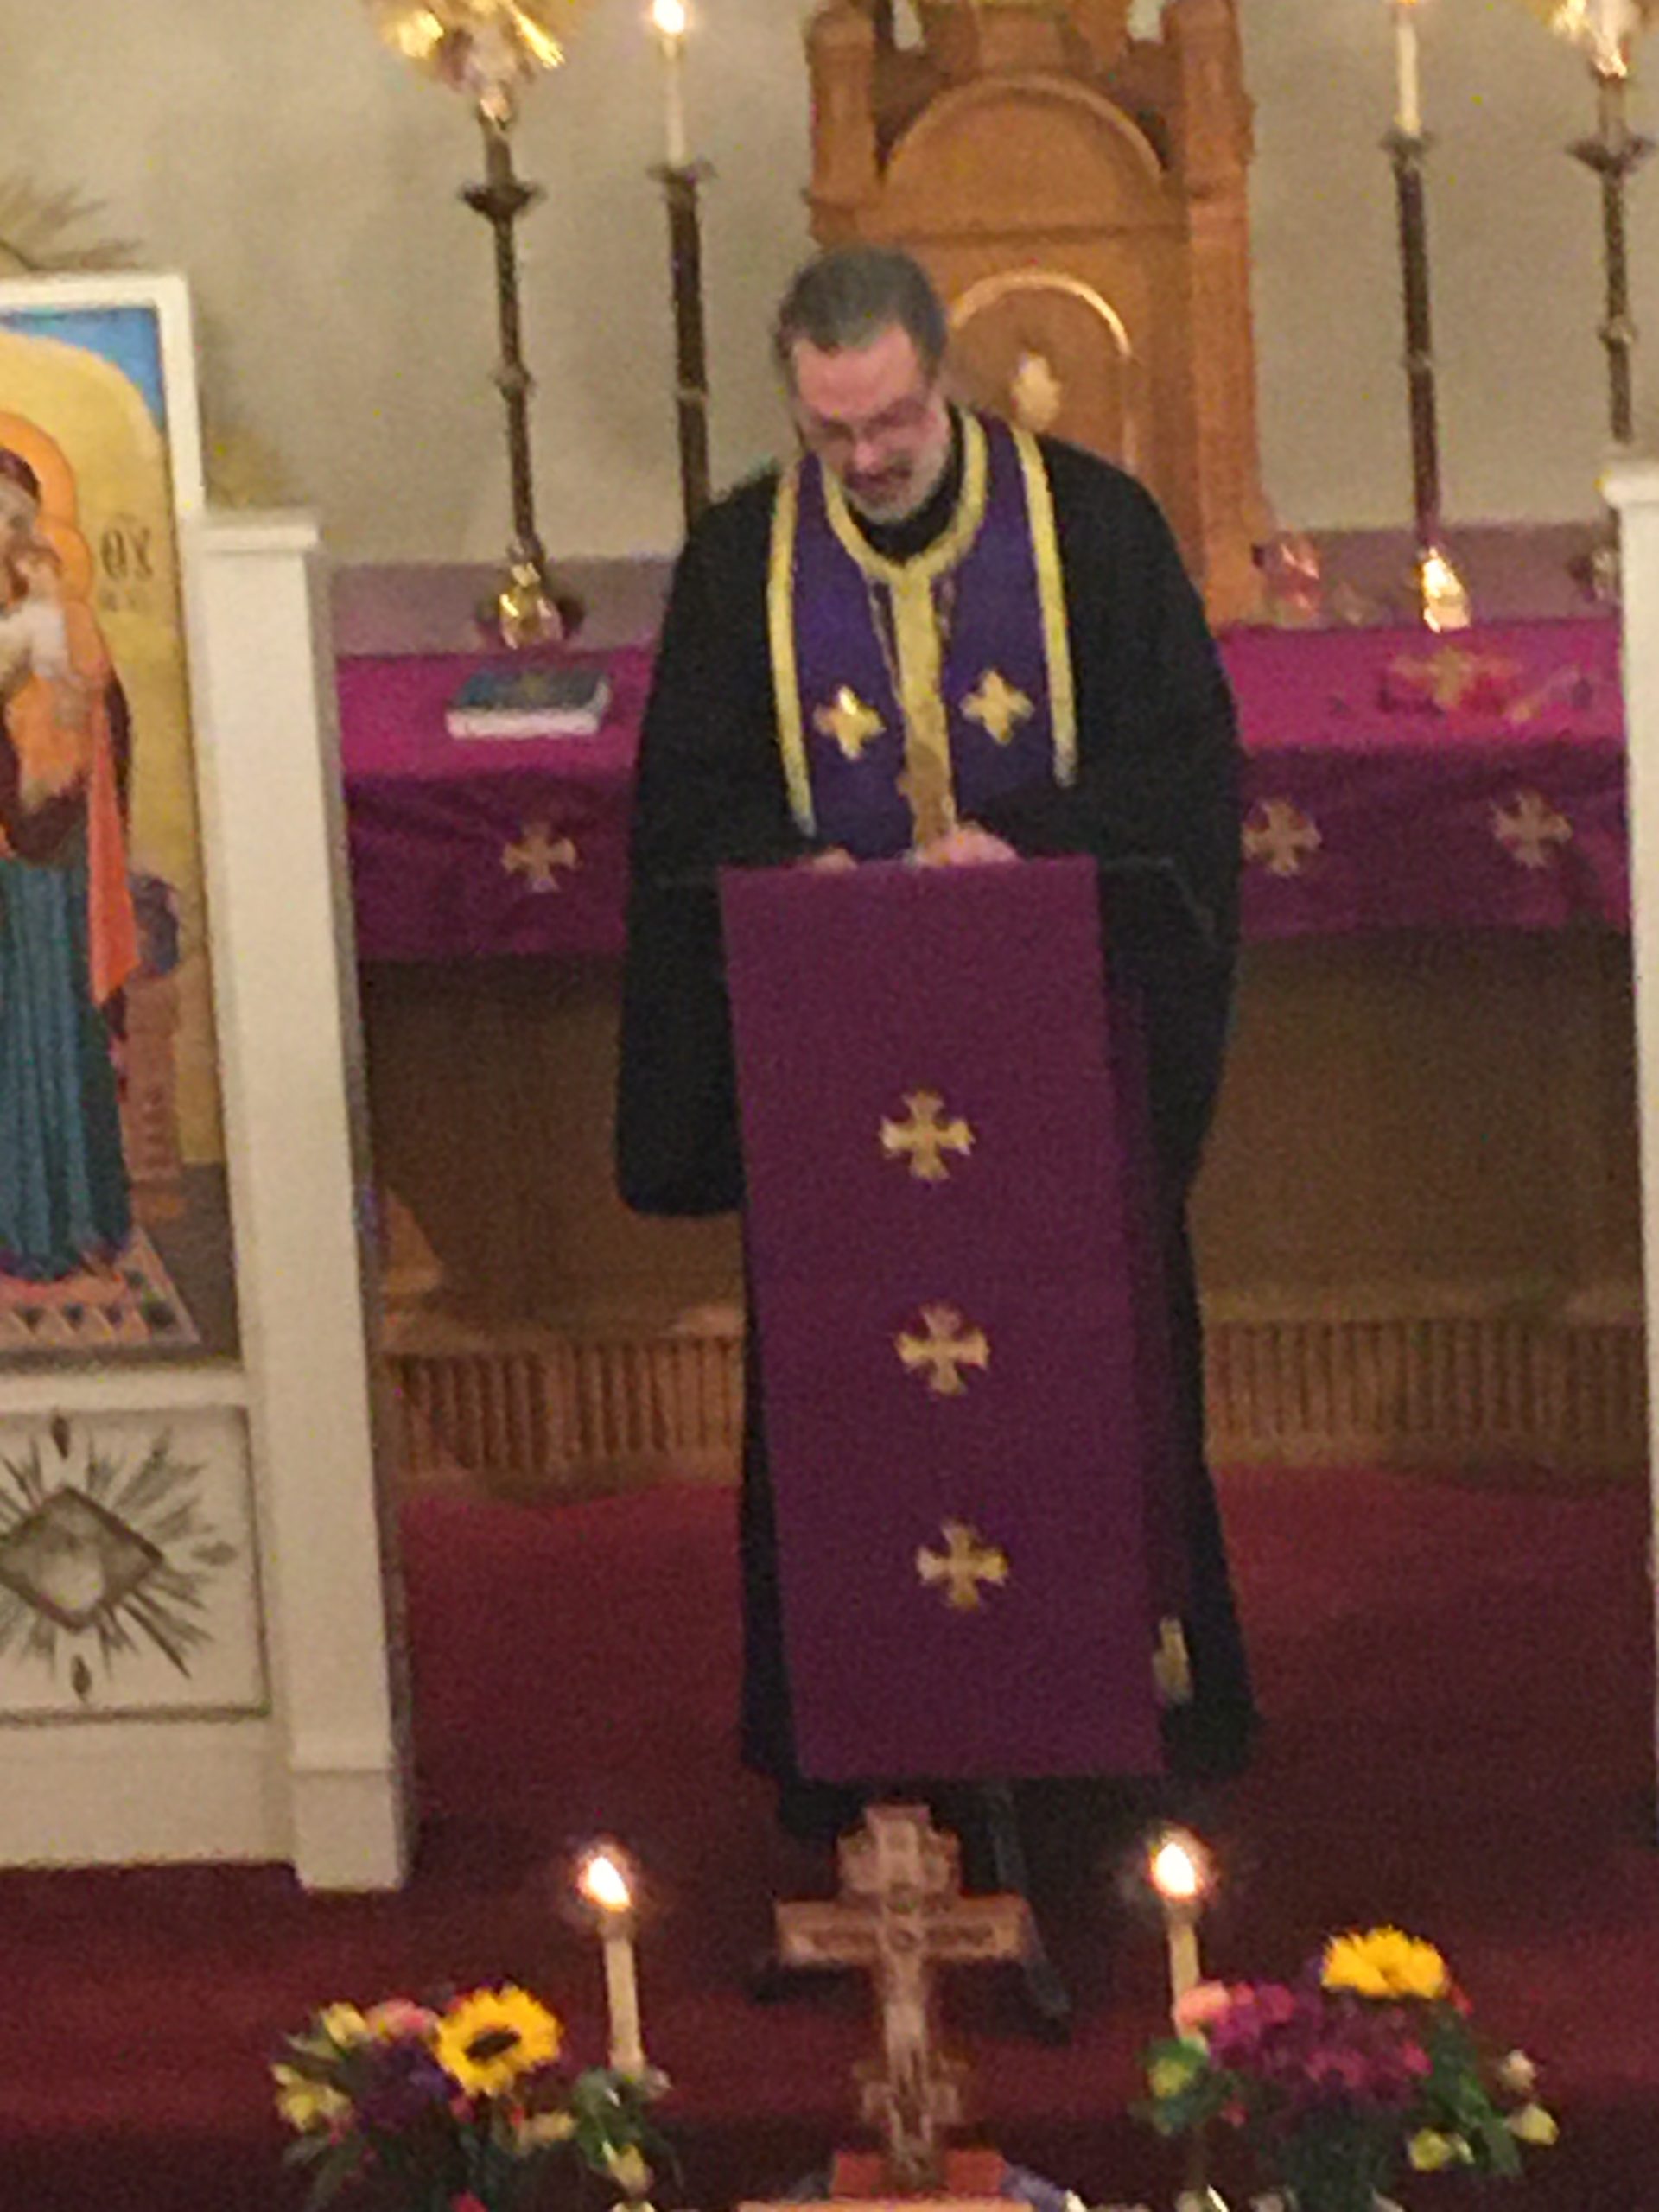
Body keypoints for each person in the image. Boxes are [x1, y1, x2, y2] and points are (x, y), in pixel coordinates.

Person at [617, 245, 1254, 1850]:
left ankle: (1111, 1722)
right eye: (832, 431)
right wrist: (799, 870)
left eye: (892, 420)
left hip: (1063, 1068)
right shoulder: (740, 561)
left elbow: (1185, 772)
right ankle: (853, 1735)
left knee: (1090, 1371)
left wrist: (1024, 846)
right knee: (848, 1391)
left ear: (942, 377)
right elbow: (686, 808)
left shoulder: (1091, 530)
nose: (867, 458)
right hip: (836, 1086)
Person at [0, 444, 138, 1283]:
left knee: (53, 1025)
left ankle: (69, 1216)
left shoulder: (70, 619)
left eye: (17, 517)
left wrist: (80, 710)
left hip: (46, 859)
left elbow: (109, 722)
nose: (7, 535)